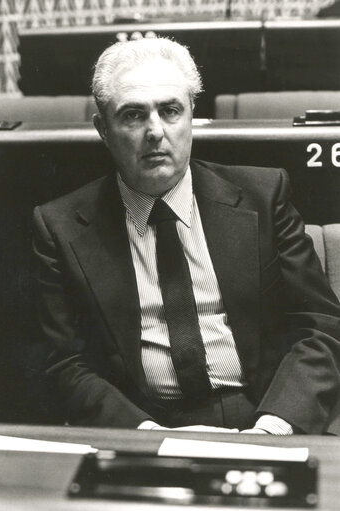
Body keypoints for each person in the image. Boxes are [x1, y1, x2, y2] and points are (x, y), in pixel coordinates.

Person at [33, 37, 340, 435]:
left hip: (264, 412)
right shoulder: (60, 226)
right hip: (141, 425)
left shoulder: (264, 196)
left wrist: (274, 428)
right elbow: (64, 364)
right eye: (132, 116)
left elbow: (319, 326)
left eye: (170, 110)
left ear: (192, 114)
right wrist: (146, 437)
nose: (155, 131)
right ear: (103, 129)